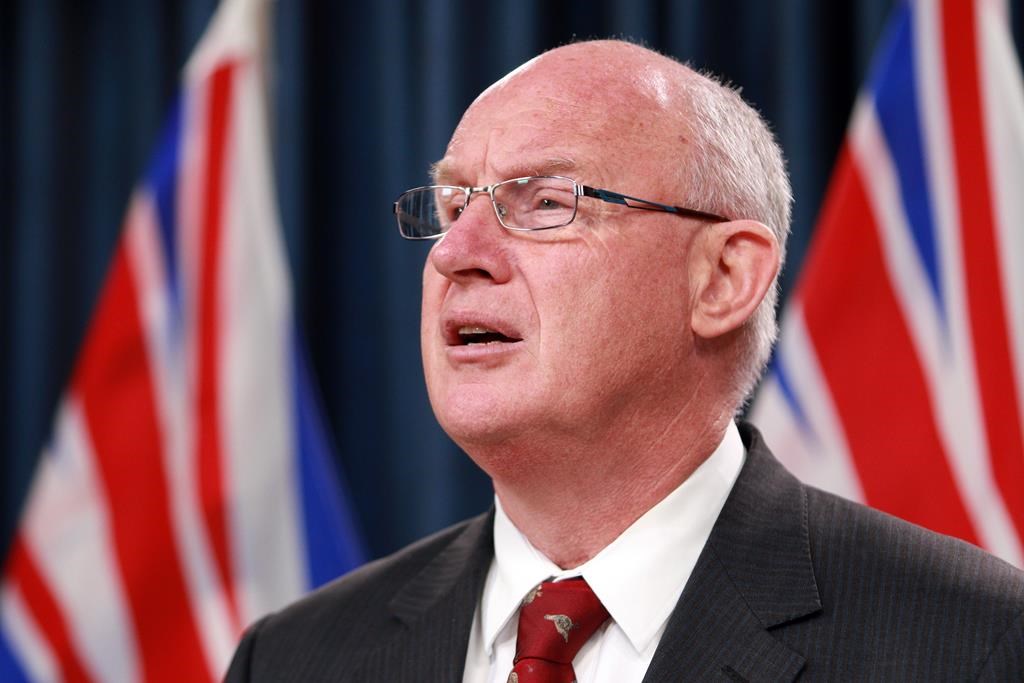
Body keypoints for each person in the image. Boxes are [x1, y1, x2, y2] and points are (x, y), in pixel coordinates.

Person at [226, 39, 1024, 681]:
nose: (455, 254)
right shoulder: (295, 657)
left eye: (544, 203)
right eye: (452, 205)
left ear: (723, 278)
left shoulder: (973, 643)